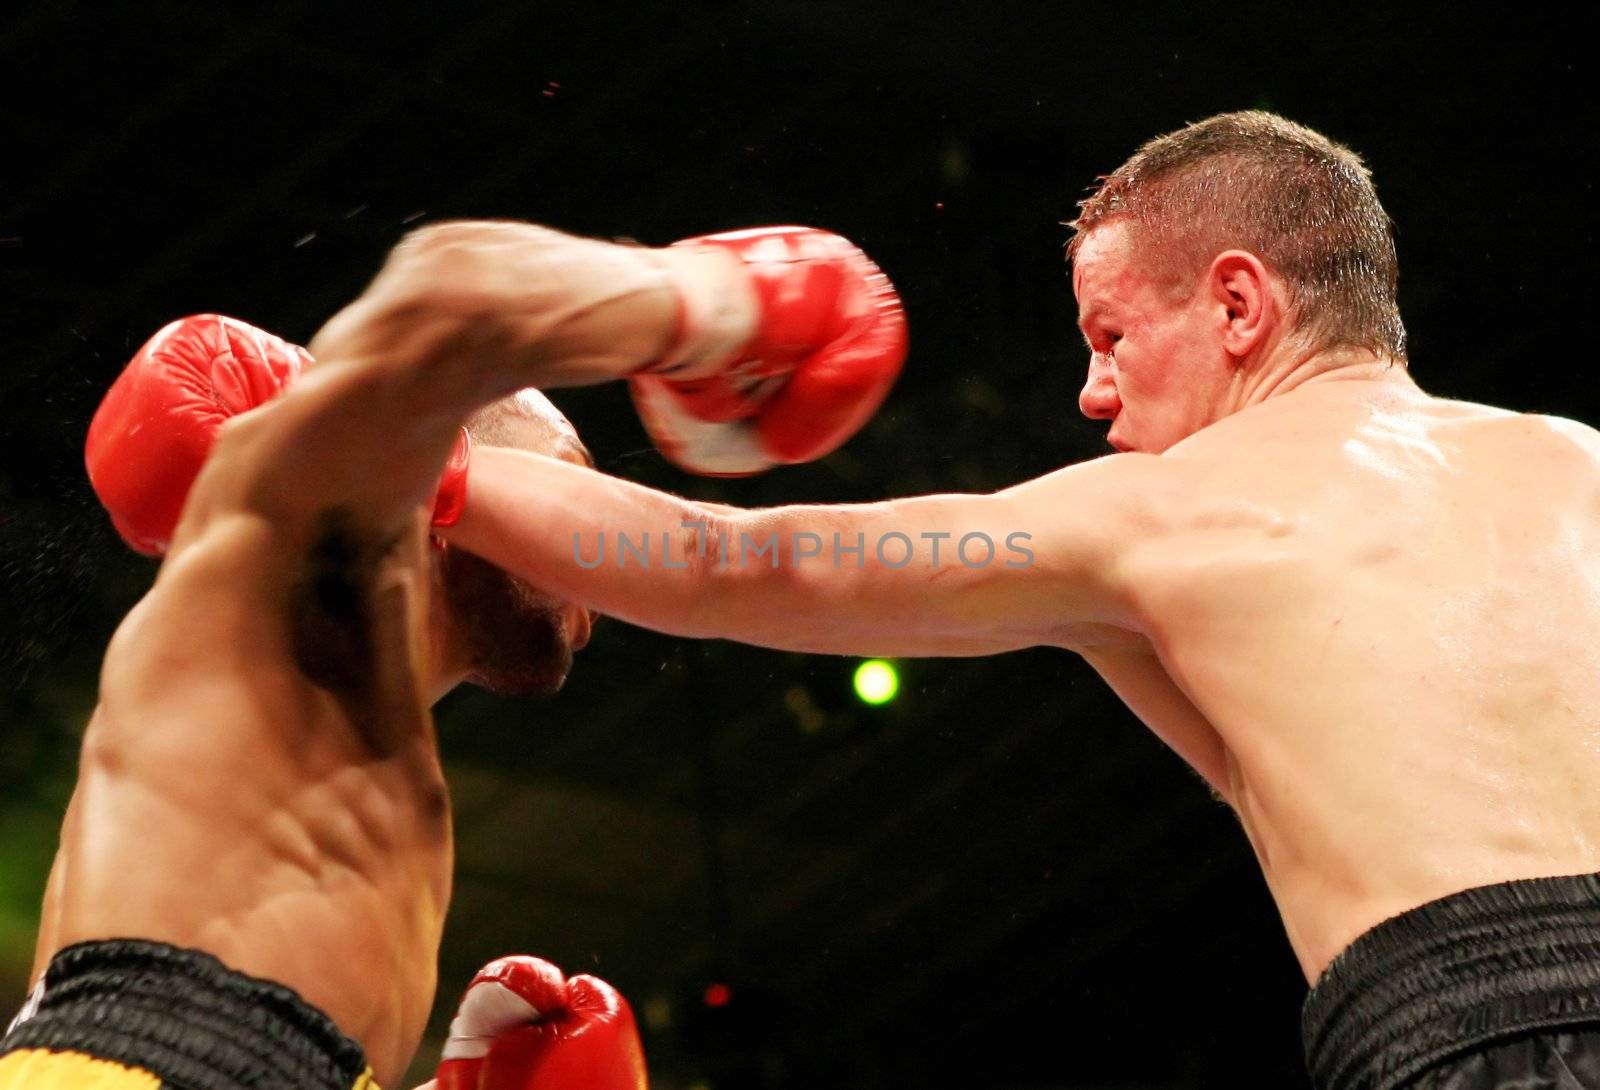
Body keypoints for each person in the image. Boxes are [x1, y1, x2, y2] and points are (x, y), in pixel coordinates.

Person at [376, 114, 1598, 1088]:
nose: (1089, 391)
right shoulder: (1578, 461)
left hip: (1482, 1032)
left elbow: (737, 564)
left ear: (1237, 304)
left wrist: (390, 444)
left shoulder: (1166, 509)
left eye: (1110, 335)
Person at [1, 219, 904, 1089]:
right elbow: (447, 287)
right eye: (579, 486)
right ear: (453, 452)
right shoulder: (273, 576)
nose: (599, 580)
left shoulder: (369, 768)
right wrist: (704, 301)